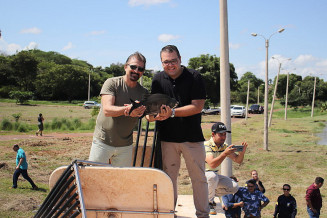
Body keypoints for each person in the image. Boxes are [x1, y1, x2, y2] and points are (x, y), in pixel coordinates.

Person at [147, 45, 209, 217]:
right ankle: (169, 213)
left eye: (173, 61)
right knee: (168, 180)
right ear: (161, 63)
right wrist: (151, 115)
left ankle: (203, 214)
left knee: (199, 179)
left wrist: (172, 113)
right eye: (166, 62)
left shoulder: (195, 76)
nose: (170, 65)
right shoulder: (157, 79)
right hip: (167, 138)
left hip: (192, 138)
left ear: (180, 59)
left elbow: (197, 106)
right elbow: (154, 107)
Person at [89, 52, 148, 167]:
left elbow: (147, 115)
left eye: (140, 69)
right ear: (125, 66)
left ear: (143, 72)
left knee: (121, 182)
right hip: (102, 142)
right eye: (133, 67)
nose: (136, 71)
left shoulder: (144, 92)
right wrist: (129, 110)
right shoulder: (112, 83)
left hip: (125, 146)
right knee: (94, 178)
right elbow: (107, 110)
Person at [205, 122, 248, 215]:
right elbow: (212, 164)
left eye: (225, 134)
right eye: (221, 134)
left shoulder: (224, 146)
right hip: (202, 176)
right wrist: (224, 153)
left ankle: (208, 195)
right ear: (213, 134)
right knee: (212, 176)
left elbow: (238, 160)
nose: (223, 137)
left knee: (234, 187)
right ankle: (208, 203)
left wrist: (242, 153)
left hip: (213, 177)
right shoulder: (206, 145)